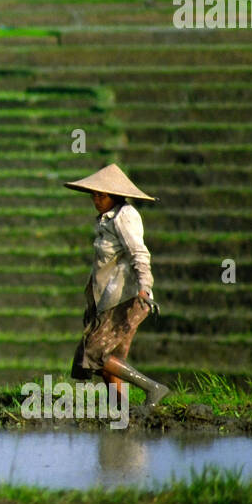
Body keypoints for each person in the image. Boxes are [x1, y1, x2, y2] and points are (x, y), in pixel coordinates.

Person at [65, 164, 169, 411]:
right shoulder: (106, 220)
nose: (96, 200)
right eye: (94, 195)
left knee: (95, 354)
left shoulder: (126, 216)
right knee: (110, 359)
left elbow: (139, 253)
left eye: (101, 195)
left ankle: (153, 388)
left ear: (115, 196)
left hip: (128, 298)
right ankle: (119, 412)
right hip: (107, 299)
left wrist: (144, 287)